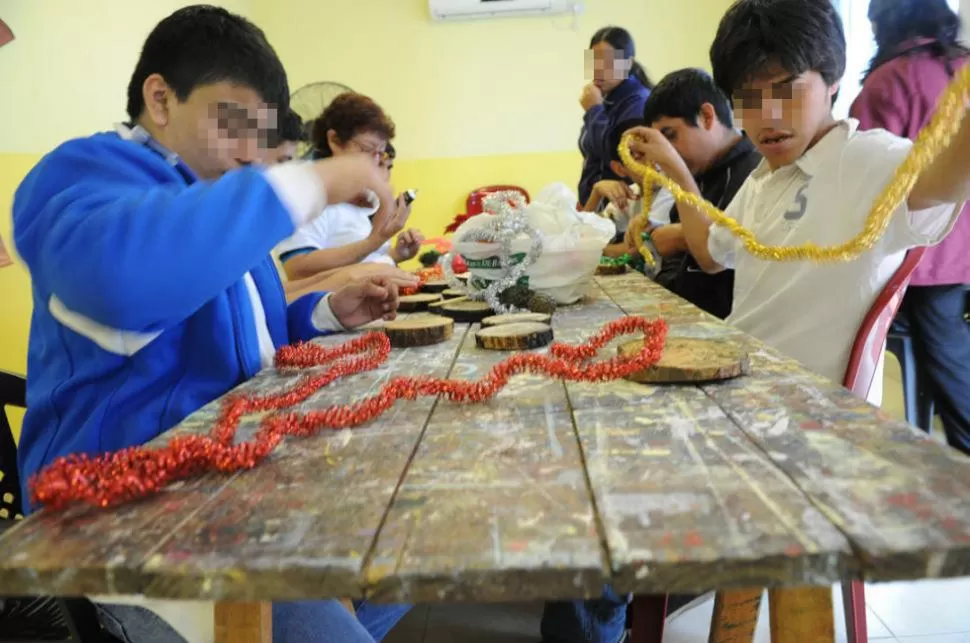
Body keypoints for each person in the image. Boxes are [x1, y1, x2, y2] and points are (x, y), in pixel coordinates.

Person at [11, 6, 411, 642]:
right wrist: (307, 183)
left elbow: (246, 334)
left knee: (399, 549)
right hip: (115, 524)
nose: (250, 153)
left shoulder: (220, 194)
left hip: (229, 487)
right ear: (161, 98)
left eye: (261, 137)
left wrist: (328, 312)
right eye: (233, 124)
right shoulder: (79, 177)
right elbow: (122, 280)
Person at [626, 0, 969, 407]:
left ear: (832, 79)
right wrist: (677, 169)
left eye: (787, 89)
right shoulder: (763, 178)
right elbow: (711, 253)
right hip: (740, 390)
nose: (767, 115)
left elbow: (948, 180)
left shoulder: (870, 160)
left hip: (804, 415)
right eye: (747, 98)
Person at [850, 0, 970, 455]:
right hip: (962, 247)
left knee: (948, 362)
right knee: (951, 350)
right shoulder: (960, 65)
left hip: (929, 254)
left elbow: (866, 174)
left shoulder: (891, 80)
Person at [633, 67, 762, 319]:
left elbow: (718, 260)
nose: (667, 152)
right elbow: (673, 265)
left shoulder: (756, 175)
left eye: (671, 136)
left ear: (706, 116)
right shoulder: (699, 174)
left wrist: (685, 235)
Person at [275, 93, 424, 282]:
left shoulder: (357, 194)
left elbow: (362, 261)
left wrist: (395, 255)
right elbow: (298, 269)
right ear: (335, 140)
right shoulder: (308, 189)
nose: (374, 161)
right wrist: (375, 240)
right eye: (367, 150)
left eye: (380, 154)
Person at [577, 26, 653, 205]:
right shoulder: (606, 98)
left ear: (628, 63)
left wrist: (594, 111)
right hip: (596, 204)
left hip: (622, 204)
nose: (598, 70)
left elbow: (617, 154)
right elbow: (591, 153)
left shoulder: (638, 102)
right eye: (594, 62)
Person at [583, 118, 676, 262]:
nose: (652, 161)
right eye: (638, 156)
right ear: (619, 169)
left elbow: (634, 249)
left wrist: (593, 248)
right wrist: (596, 193)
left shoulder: (674, 189)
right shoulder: (627, 196)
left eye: (653, 150)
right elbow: (580, 239)